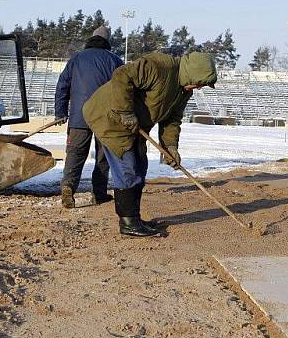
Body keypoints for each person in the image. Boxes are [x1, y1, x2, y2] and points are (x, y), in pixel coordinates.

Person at [83, 51, 217, 237]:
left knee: (140, 166)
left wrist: (170, 146)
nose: (200, 88)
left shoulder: (184, 90)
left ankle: (134, 219)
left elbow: (172, 119)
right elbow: (122, 75)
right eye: (200, 83)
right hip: (110, 116)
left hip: (135, 124)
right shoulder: (159, 66)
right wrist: (125, 111)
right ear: (191, 73)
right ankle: (128, 223)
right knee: (127, 168)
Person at [55, 26, 123, 208]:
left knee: (75, 154)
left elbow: (62, 85)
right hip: (105, 119)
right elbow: (124, 90)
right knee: (103, 157)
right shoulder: (115, 60)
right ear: (107, 42)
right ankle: (99, 194)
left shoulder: (76, 58)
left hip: (79, 117)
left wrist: (60, 112)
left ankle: (68, 188)